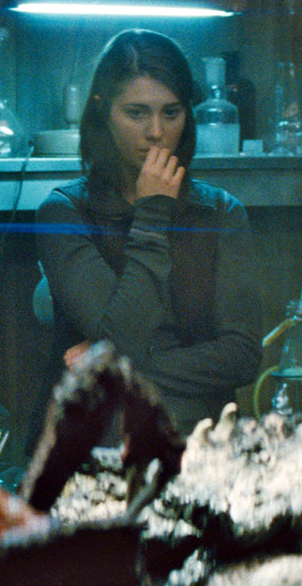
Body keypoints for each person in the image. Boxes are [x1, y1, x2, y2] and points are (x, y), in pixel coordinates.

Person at [35, 29, 262, 435]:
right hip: (95, 445)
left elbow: (242, 356)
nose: (156, 131)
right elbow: (122, 337)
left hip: (200, 443)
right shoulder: (64, 212)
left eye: (171, 113)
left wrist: (107, 365)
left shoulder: (221, 212)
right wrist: (153, 213)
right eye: (136, 113)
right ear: (103, 111)